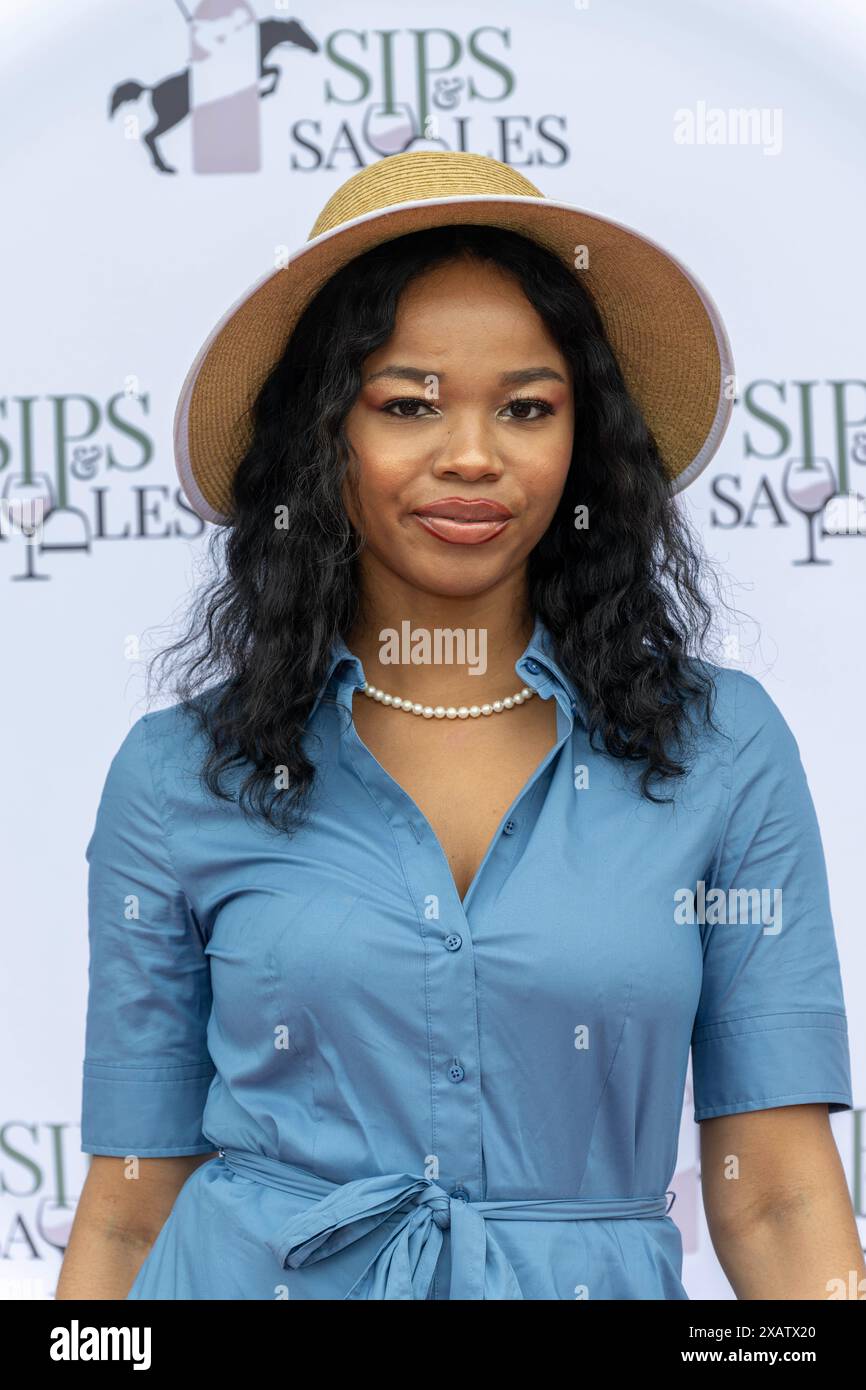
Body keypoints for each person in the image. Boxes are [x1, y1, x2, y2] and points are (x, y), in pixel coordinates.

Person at [58, 151, 861, 1301]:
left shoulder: (721, 751)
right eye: (407, 403)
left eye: (526, 406)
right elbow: (134, 1209)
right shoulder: (182, 773)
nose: (474, 455)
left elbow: (779, 1196)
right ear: (320, 435)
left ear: (582, 441)